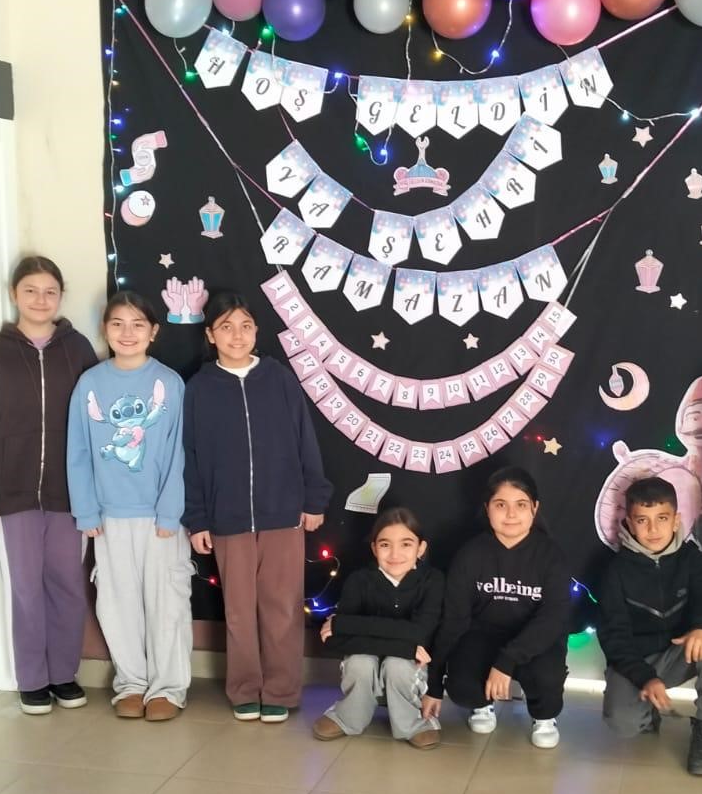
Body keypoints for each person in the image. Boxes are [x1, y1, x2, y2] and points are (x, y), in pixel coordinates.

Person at [183, 292, 331, 722]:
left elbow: (305, 439)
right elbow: (190, 458)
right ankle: (245, 689)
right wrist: (197, 519)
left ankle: (280, 690)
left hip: (283, 514)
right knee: (238, 611)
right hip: (227, 519)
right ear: (210, 335)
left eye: (245, 326)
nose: (237, 335)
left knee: (282, 607)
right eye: (226, 327)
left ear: (256, 331)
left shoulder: (279, 379)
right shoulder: (198, 389)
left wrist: (313, 498)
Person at [0, 255, 96, 715]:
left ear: (61, 296)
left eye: (50, 291)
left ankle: (64, 674)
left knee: (68, 585)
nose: (40, 300)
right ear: (14, 294)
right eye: (30, 290)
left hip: (69, 494)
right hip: (14, 495)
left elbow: (95, 424)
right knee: (25, 588)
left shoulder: (78, 349)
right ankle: (32, 679)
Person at [67, 291, 191, 721]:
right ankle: (132, 683)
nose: (127, 332)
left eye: (138, 324)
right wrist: (86, 511)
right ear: (105, 329)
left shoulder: (170, 383)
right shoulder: (90, 384)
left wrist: (170, 512)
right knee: (116, 604)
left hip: (160, 518)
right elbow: (78, 452)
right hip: (108, 517)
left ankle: (168, 687)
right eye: (118, 323)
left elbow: (178, 453)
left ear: (153, 332)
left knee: (166, 603)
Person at [423, 467, 570, 748]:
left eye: (521, 505)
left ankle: (544, 717)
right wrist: (434, 685)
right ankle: (481, 705)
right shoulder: (470, 554)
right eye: (501, 505)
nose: (511, 514)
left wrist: (506, 661)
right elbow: (453, 621)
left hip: (534, 639)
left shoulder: (551, 556)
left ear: (535, 508)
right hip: (484, 635)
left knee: (546, 675)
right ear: (487, 509)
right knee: (462, 684)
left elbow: (553, 619)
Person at [596, 476, 702, 776]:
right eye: (642, 520)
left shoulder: (691, 557)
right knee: (622, 723)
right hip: (637, 661)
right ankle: (648, 711)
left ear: (676, 520)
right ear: (629, 523)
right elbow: (614, 637)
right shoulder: (614, 571)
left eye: (661, 518)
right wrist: (645, 678)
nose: (653, 529)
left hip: (679, 654)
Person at [313, 507, 444, 748]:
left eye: (406, 544)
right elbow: (335, 641)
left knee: (397, 665)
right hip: (373, 665)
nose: (395, 554)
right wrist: (404, 646)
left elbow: (419, 633)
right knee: (360, 662)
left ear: (421, 548)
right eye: (385, 545)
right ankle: (348, 717)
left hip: (409, 671)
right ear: (374, 548)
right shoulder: (359, 580)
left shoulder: (433, 581)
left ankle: (413, 723)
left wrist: (346, 624)